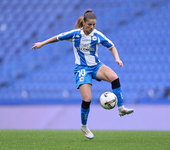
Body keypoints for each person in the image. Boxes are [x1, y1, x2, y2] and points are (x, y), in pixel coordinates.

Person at [32, 9, 134, 139]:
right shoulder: (75, 34)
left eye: (94, 25)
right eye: (89, 25)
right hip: (82, 69)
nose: (91, 27)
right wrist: (42, 43)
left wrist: (117, 58)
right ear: (83, 23)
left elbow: (111, 46)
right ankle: (84, 126)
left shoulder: (97, 35)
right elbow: (57, 37)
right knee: (87, 99)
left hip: (96, 66)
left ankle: (121, 108)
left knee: (114, 77)